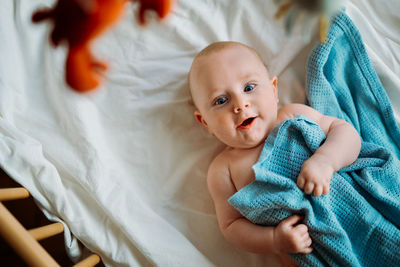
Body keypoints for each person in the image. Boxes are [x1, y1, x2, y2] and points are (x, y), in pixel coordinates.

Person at [188, 41, 361, 263]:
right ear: (205, 123)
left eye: (249, 88)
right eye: (221, 100)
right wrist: (274, 239)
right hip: (316, 251)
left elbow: (346, 133)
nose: (240, 105)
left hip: (356, 209)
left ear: (273, 89)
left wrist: (326, 161)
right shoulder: (223, 170)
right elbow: (231, 226)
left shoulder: (293, 117)